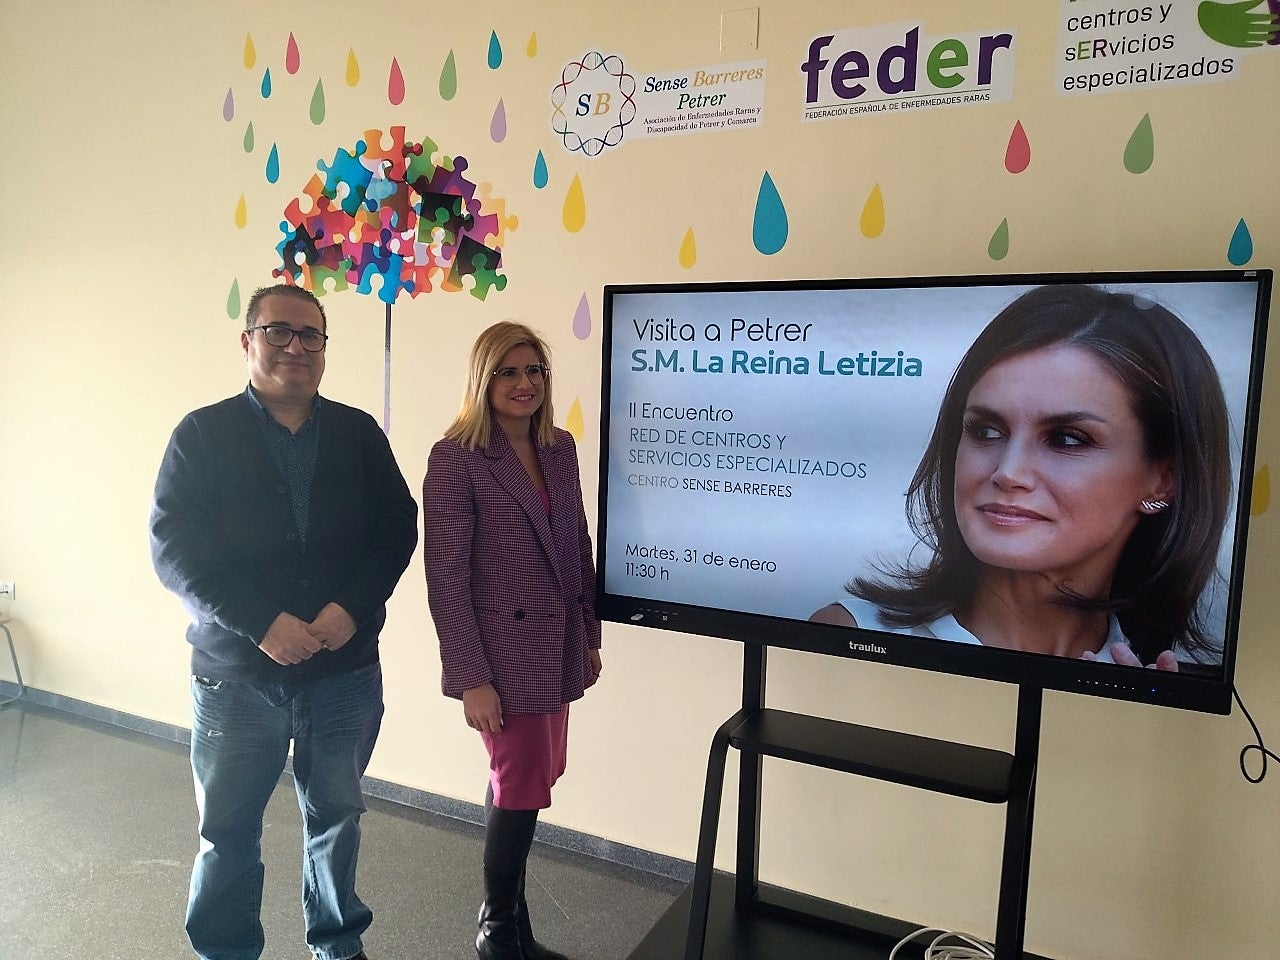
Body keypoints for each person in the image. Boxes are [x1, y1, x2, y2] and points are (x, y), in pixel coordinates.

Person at [150, 284, 419, 960]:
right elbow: (174, 547)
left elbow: (396, 527)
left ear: (325, 349)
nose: (295, 347)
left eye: (311, 335)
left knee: (337, 821)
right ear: (248, 342)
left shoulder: (358, 433)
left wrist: (349, 609)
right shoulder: (202, 434)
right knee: (228, 830)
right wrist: (262, 623)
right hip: (236, 679)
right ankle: (225, 950)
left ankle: (336, 944)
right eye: (279, 332)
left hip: (343, 677)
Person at [812, 284, 1233, 670]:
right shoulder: (849, 637)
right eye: (986, 431)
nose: (1008, 472)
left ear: (1164, 479)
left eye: (1067, 439)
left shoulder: (1170, 687)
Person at [423, 321, 602, 960]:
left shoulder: (560, 448)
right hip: (501, 658)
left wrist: (589, 635)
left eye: (534, 372)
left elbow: (576, 547)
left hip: (555, 646)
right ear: (484, 378)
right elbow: (445, 576)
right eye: (509, 372)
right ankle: (497, 933)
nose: (524, 384)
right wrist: (471, 677)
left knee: (528, 781)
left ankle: (516, 928)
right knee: (520, 786)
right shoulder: (455, 458)